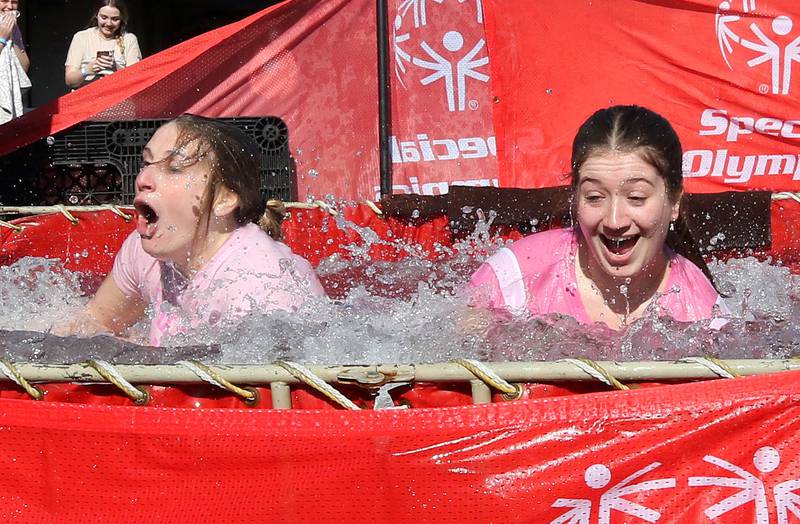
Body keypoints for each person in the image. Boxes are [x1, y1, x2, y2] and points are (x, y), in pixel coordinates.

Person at [58, 115, 326, 346]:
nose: (142, 180)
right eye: (147, 163)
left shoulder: (260, 288)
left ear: (223, 199)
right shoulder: (148, 251)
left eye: (174, 168)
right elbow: (93, 321)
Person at [468, 105, 728, 330]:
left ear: (674, 203)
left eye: (636, 197)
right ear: (575, 198)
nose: (614, 221)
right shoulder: (511, 281)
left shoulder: (705, 315)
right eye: (594, 197)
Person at [64, 0, 141, 90]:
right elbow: (69, 80)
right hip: (86, 98)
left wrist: (116, 68)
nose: (109, 23)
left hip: (117, 98)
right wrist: (88, 69)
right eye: (104, 17)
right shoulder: (81, 37)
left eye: (115, 19)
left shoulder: (129, 39)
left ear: (122, 19)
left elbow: (136, 81)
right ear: (97, 15)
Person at [0, 0, 30, 124]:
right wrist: (2, 38)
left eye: (14, 2)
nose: (10, 6)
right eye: (4, 1)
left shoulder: (12, 28)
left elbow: (24, 66)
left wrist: (12, 35)